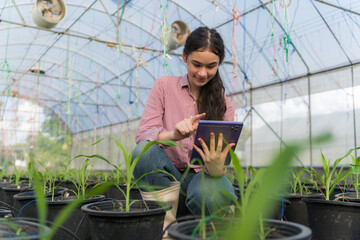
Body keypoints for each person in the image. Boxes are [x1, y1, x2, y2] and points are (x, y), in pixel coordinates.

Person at [131, 26, 237, 218]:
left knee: (212, 195)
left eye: (211, 66)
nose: (203, 73)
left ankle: (209, 229)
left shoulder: (224, 105)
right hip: (167, 178)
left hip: (201, 178)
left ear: (219, 63)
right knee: (142, 152)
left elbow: (222, 156)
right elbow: (144, 134)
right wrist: (174, 135)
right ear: (184, 57)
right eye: (197, 64)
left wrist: (216, 167)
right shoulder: (164, 86)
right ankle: (165, 225)